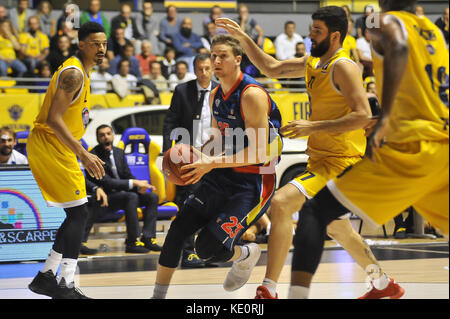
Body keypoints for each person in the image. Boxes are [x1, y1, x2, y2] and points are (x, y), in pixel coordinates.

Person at [216, 6, 403, 300]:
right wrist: (242, 37)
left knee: (280, 204)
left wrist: (311, 127)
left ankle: (270, 289)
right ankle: (383, 283)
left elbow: (362, 115)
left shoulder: (343, 66)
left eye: (317, 31)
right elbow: (270, 67)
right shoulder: (313, 62)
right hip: (320, 158)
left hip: (342, 161)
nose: (310, 34)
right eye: (311, 28)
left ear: (335, 35)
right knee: (338, 229)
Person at [283, 0, 449, 299]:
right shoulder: (434, 33)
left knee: (314, 213)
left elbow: (396, 44)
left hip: (412, 147)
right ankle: (383, 284)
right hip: (443, 143)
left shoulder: (384, 22)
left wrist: (385, 117)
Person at [152, 34, 282, 299]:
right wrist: (194, 156)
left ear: (238, 59)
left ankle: (246, 254)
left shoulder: (252, 95)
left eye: (222, 55)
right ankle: (157, 296)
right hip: (223, 175)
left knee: (206, 248)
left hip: (254, 181)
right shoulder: (213, 95)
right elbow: (217, 139)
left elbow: (257, 152)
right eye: (213, 55)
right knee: (177, 231)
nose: (216, 60)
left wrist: (210, 162)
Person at [26, 22, 107, 299]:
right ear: (82, 44)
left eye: (104, 44)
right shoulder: (73, 73)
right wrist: (84, 153)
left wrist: (80, 149)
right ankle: (65, 283)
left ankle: (47, 276)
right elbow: (53, 119)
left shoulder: (83, 71)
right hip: (50, 144)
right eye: (95, 44)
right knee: (79, 213)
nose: (102, 49)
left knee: (77, 213)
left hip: (61, 147)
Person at [162, 53, 218, 268]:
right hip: (189, 159)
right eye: (200, 69)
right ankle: (188, 253)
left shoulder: (221, 90)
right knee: (189, 206)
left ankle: (208, 251)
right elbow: (170, 122)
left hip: (215, 158)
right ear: (194, 70)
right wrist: (170, 151)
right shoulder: (182, 91)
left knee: (213, 206)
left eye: (207, 68)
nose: (203, 73)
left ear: (212, 69)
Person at [86, 124, 162, 253]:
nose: (106, 137)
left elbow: (126, 175)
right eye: (102, 135)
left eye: (108, 134)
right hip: (107, 197)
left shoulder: (119, 152)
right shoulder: (94, 155)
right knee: (130, 196)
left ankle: (148, 238)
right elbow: (107, 182)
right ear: (98, 138)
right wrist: (134, 184)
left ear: (113, 135)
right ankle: (132, 242)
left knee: (152, 197)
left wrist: (139, 187)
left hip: (125, 195)